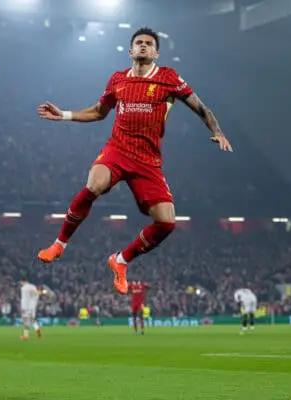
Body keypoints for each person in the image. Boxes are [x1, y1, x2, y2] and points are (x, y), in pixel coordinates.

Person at [37, 27, 232, 294]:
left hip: (148, 160)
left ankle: (120, 260)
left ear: (156, 52)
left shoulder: (168, 78)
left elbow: (201, 108)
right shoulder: (118, 79)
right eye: (138, 42)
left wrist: (218, 132)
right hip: (118, 149)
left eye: (149, 43)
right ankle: (59, 244)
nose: (143, 46)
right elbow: (98, 112)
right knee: (94, 185)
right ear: (130, 51)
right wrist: (65, 115)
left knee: (167, 223)